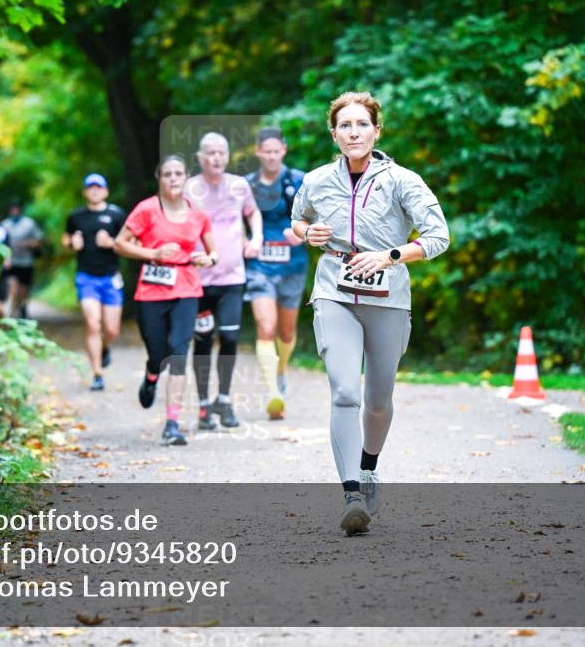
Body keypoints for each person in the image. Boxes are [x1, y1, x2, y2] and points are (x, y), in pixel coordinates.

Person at [290, 91, 450, 535]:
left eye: (362, 124)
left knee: (378, 401)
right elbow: (296, 219)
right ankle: (351, 495)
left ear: (376, 131)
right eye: (345, 125)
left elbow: (439, 237)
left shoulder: (403, 180)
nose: (353, 132)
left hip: (388, 298)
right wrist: (310, 233)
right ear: (334, 133)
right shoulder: (318, 179)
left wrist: (392, 255)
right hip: (334, 292)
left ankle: (369, 466)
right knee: (345, 391)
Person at [114, 156, 219, 446]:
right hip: (151, 292)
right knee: (158, 355)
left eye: (178, 174)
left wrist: (206, 258)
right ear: (160, 178)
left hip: (187, 289)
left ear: (186, 178)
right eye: (168, 174)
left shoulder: (197, 214)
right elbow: (119, 243)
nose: (173, 178)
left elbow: (214, 253)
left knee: (178, 353)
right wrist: (153, 254)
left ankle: (172, 423)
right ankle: (150, 377)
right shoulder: (146, 210)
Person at [184, 132, 262, 430]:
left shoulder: (240, 186)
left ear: (227, 157)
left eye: (221, 152)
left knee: (229, 338)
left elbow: (253, 213)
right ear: (201, 158)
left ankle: (225, 400)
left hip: (232, 277)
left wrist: (255, 238)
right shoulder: (190, 189)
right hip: (199, 280)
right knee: (202, 341)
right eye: (210, 153)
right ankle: (203, 405)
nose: (216, 157)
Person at [244, 128, 306, 420]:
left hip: (293, 264)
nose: (270, 156)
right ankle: (273, 393)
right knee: (265, 327)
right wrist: (243, 241)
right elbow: (230, 220)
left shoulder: (299, 180)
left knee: (286, 331)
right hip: (259, 265)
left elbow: (319, 217)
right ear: (257, 152)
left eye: (275, 151)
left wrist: (302, 234)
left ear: (284, 149)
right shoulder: (247, 185)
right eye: (265, 151)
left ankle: (280, 372)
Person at [63, 174, 127, 391]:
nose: (94, 191)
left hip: (110, 278)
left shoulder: (116, 215)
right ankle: (97, 374)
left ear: (106, 191)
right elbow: (65, 238)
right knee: (92, 323)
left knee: (112, 329)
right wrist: (72, 243)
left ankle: (104, 347)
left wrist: (111, 243)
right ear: (85, 192)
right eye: (90, 188)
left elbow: (131, 243)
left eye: (98, 187)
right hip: (86, 277)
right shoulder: (76, 216)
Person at [0, 200, 43, 319]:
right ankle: (12, 311)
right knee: (12, 286)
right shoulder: (5, 225)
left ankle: (21, 307)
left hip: (26, 262)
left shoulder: (29, 224)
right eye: (12, 208)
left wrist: (27, 244)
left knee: (23, 289)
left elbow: (39, 241)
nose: (14, 211)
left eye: (17, 208)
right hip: (11, 263)